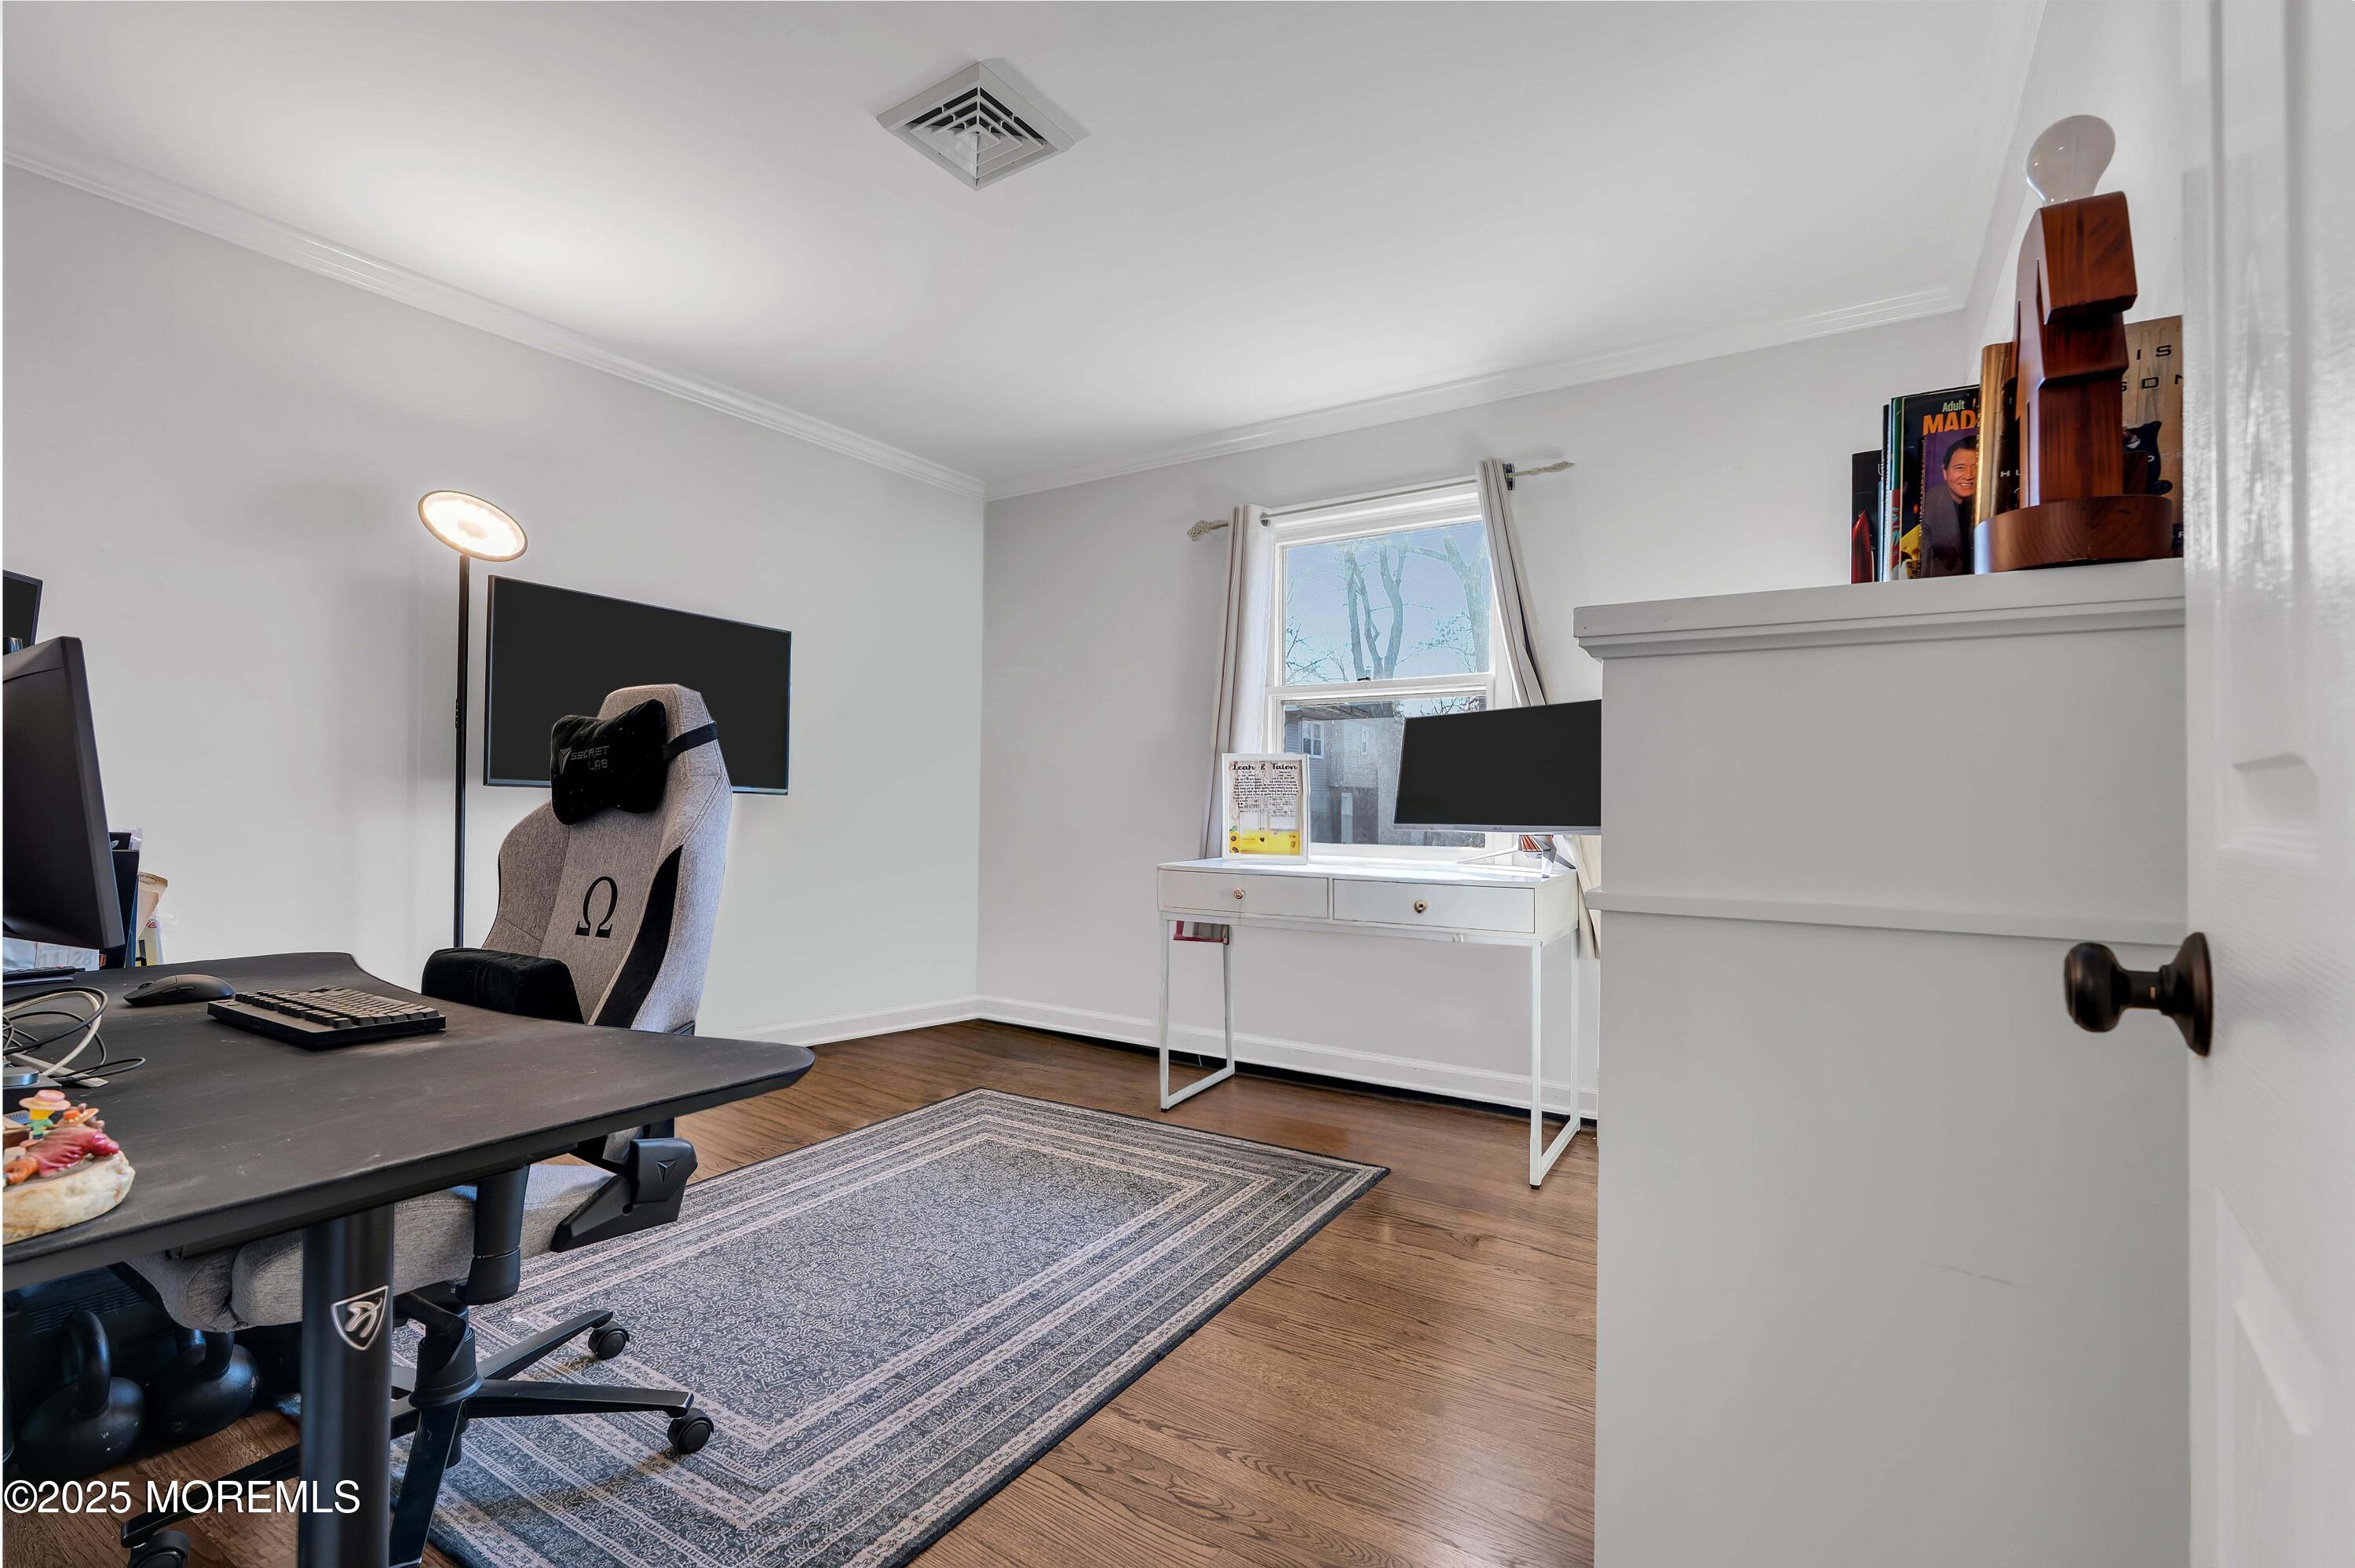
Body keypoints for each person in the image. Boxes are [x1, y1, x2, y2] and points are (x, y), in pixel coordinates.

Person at [1917, 433, 1978, 577]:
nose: (1969, 475)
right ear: (1945, 472)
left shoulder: (1997, 499)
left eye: (1976, 467)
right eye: (1960, 468)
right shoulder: (1930, 504)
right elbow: (1925, 568)